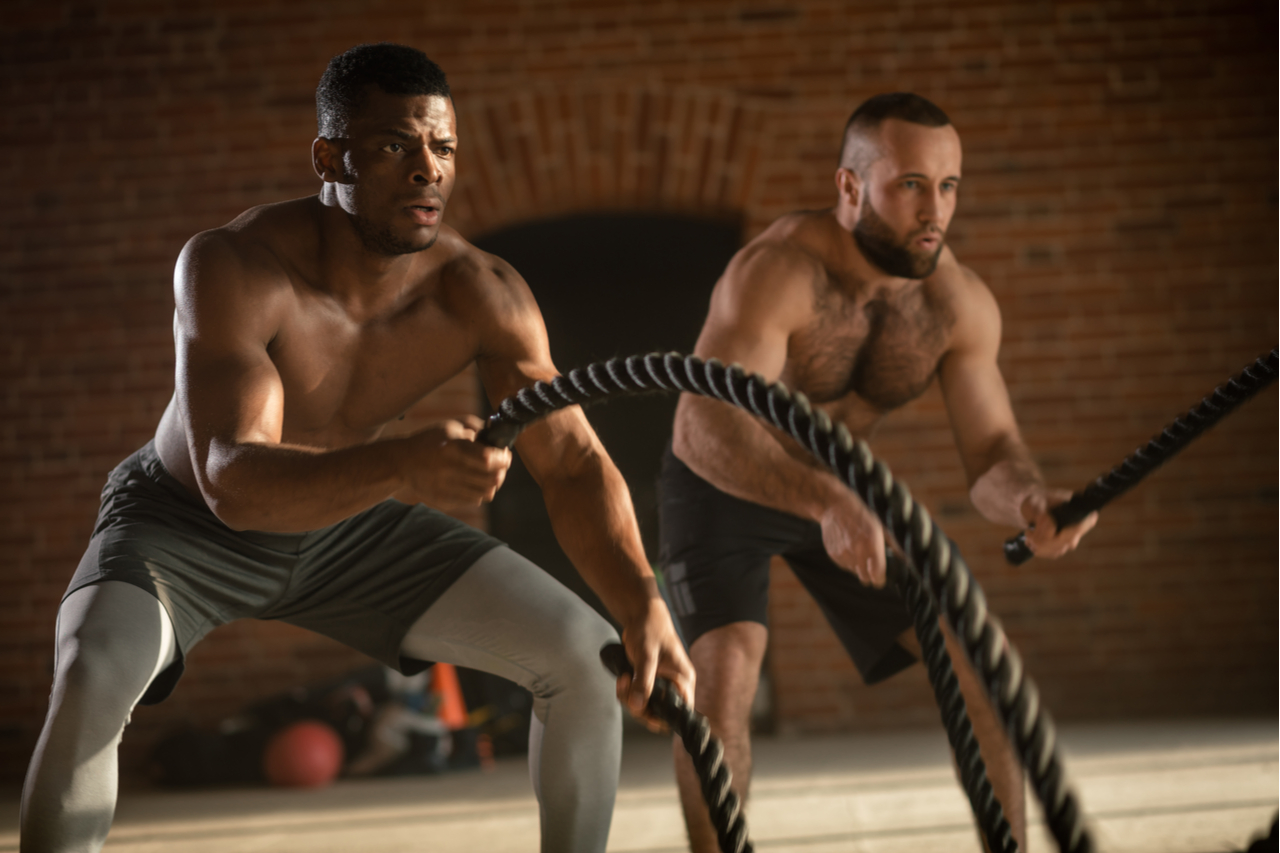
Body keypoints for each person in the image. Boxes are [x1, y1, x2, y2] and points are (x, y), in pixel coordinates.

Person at [20, 43, 694, 853]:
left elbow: (574, 462)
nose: (426, 170)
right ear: (329, 156)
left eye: (442, 147)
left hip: (351, 523)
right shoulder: (234, 266)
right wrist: (405, 465)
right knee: (93, 672)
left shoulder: (481, 292)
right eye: (394, 145)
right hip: (181, 523)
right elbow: (231, 478)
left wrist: (643, 602)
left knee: (587, 659)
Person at [659, 92, 1098, 852]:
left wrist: (1029, 496)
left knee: (976, 660)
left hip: (843, 487)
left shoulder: (955, 303)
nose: (935, 209)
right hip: (729, 474)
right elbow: (704, 425)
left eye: (949, 185)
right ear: (850, 187)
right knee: (725, 675)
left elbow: (992, 452)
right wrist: (827, 498)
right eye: (911, 185)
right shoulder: (779, 272)